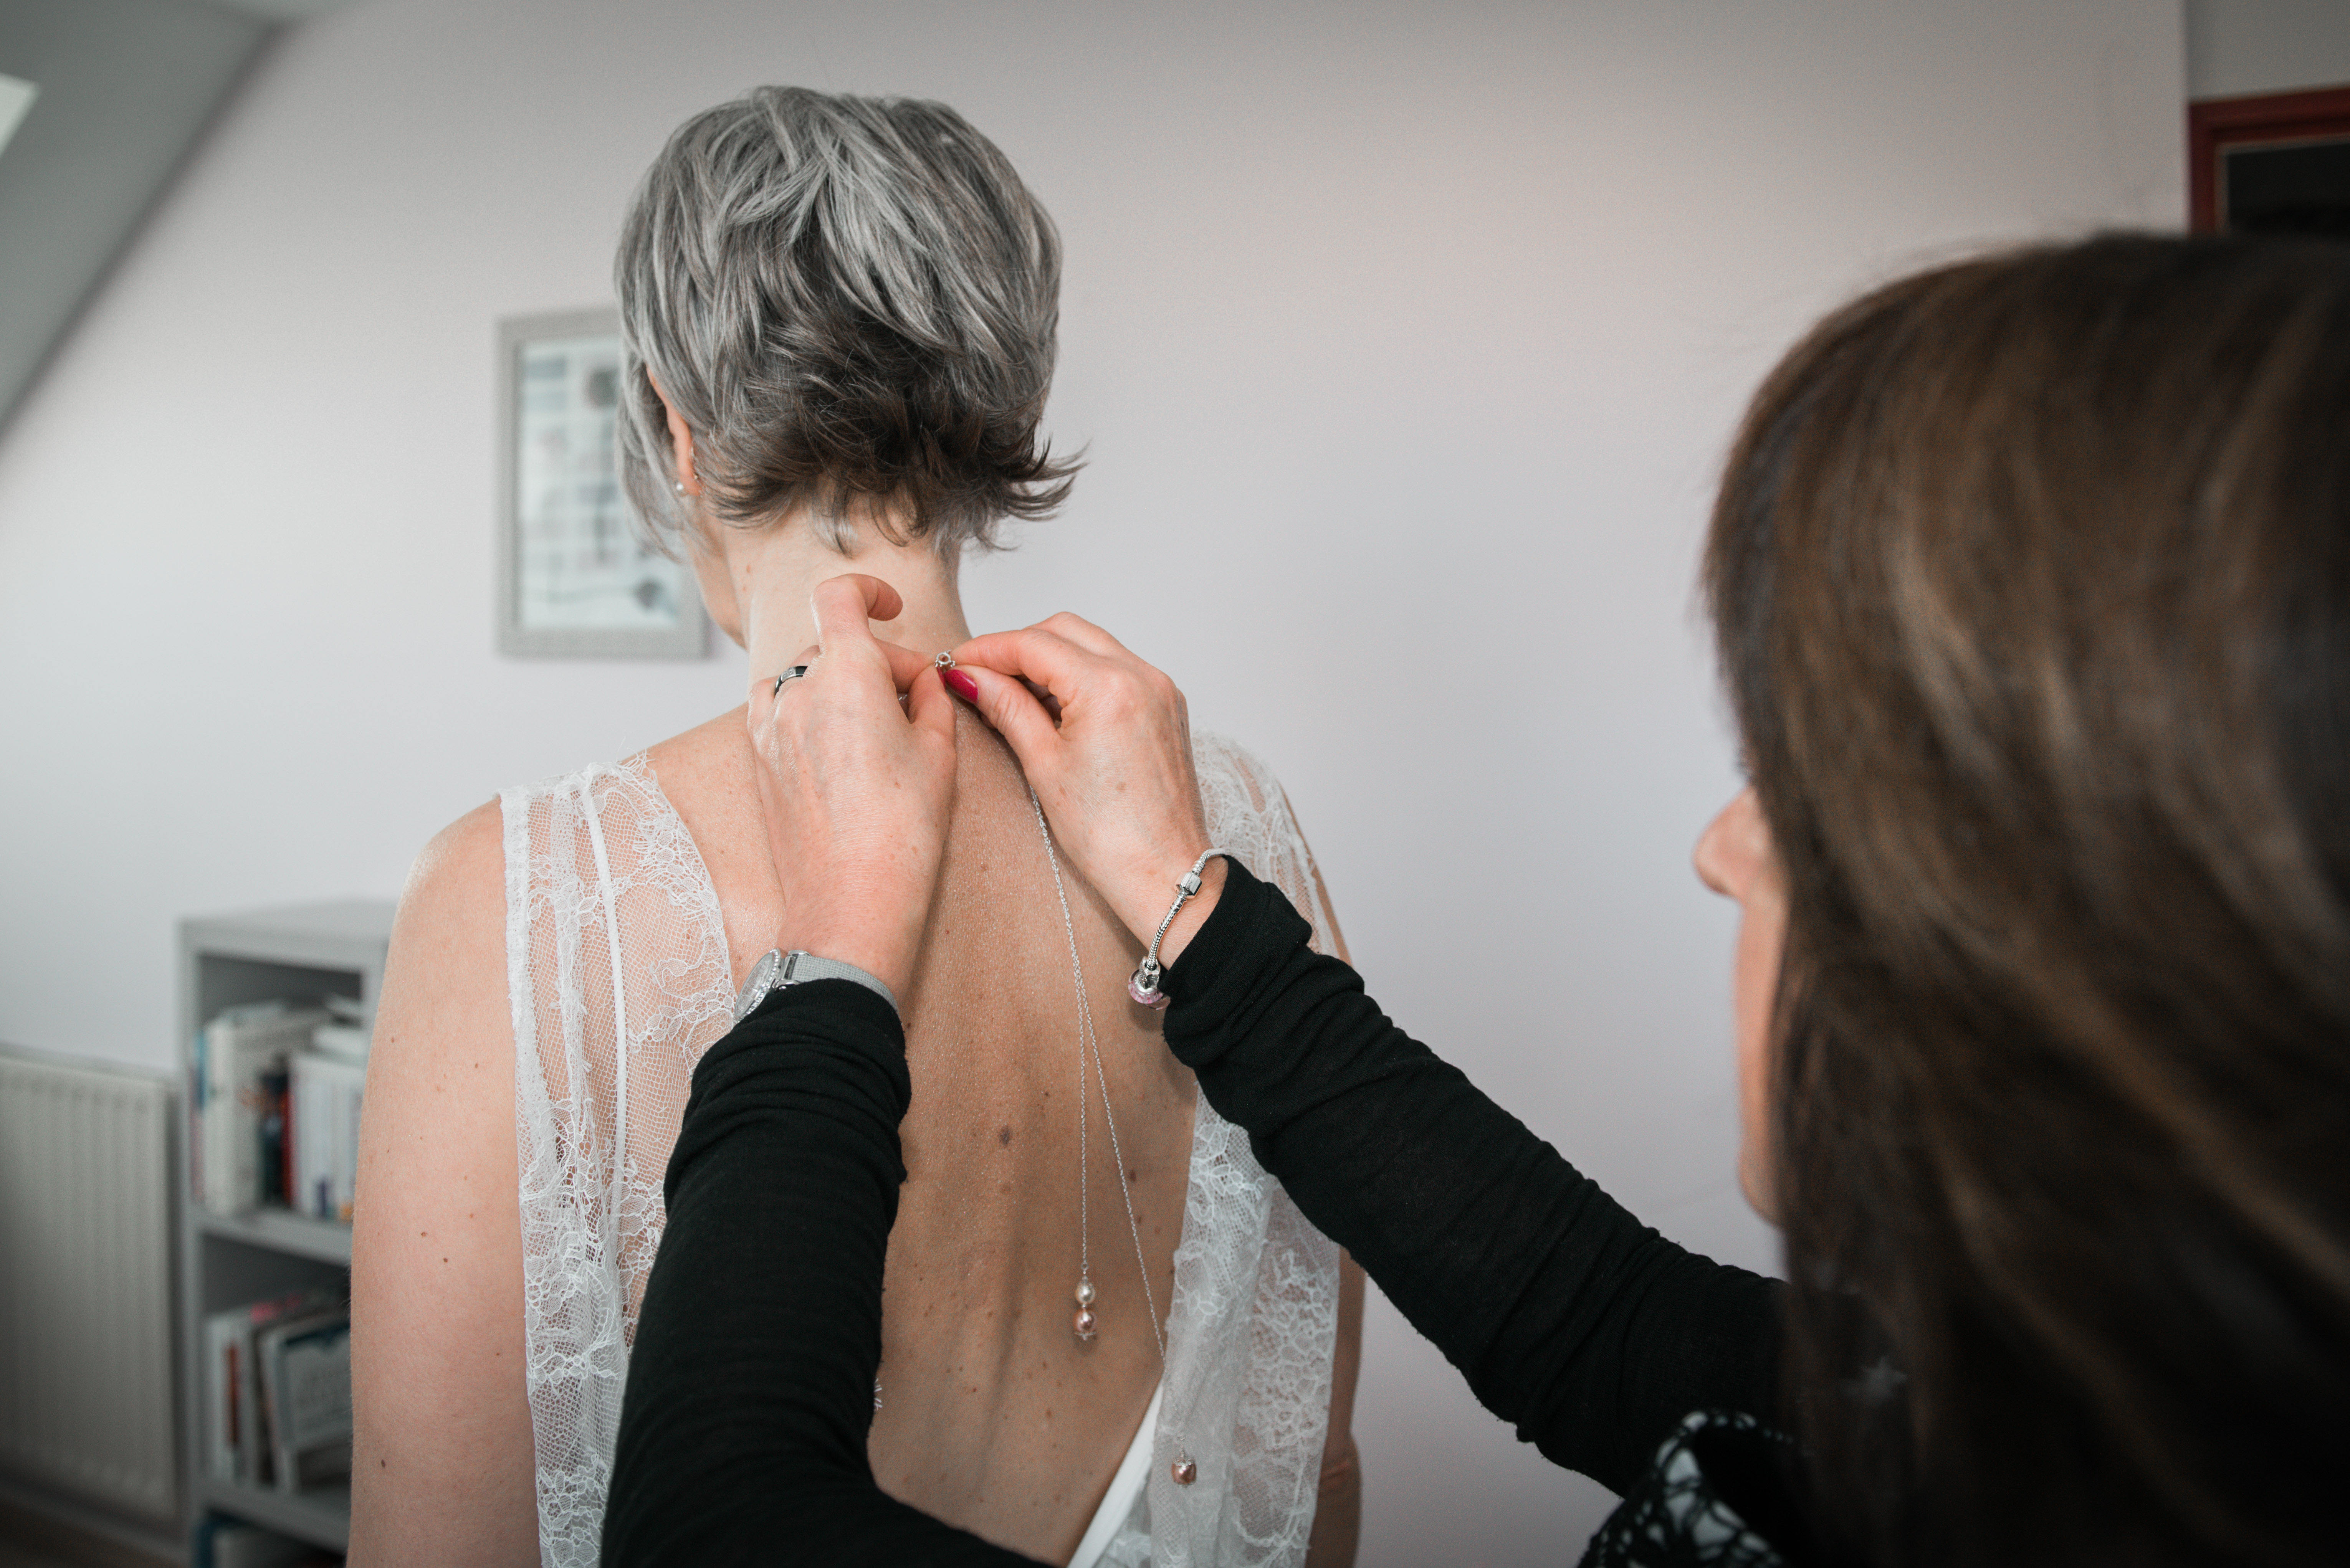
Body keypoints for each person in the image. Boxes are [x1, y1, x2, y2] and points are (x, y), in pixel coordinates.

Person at [601, 233, 2350, 1566]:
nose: (1726, 845)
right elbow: (1592, 1317)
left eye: (1818, 774)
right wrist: (1192, 903)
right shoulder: (2033, 1423)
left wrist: (832, 964)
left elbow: (710, 1524)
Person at [349, 88, 1364, 1568]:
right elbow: (1310, 1465)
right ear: (997, 404)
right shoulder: (1234, 817)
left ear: (680, 436)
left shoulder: (516, 896)